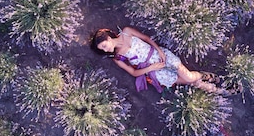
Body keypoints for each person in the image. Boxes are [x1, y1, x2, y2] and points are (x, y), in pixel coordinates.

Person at [91, 26, 227, 94]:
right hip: (154, 72)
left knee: (189, 77)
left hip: (159, 55)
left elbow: (146, 39)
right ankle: (217, 90)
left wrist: (160, 50)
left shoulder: (126, 32)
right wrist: (150, 68)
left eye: (104, 46)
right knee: (187, 81)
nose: (105, 50)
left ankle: (206, 76)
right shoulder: (118, 58)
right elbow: (133, 73)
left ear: (108, 38)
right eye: (102, 50)